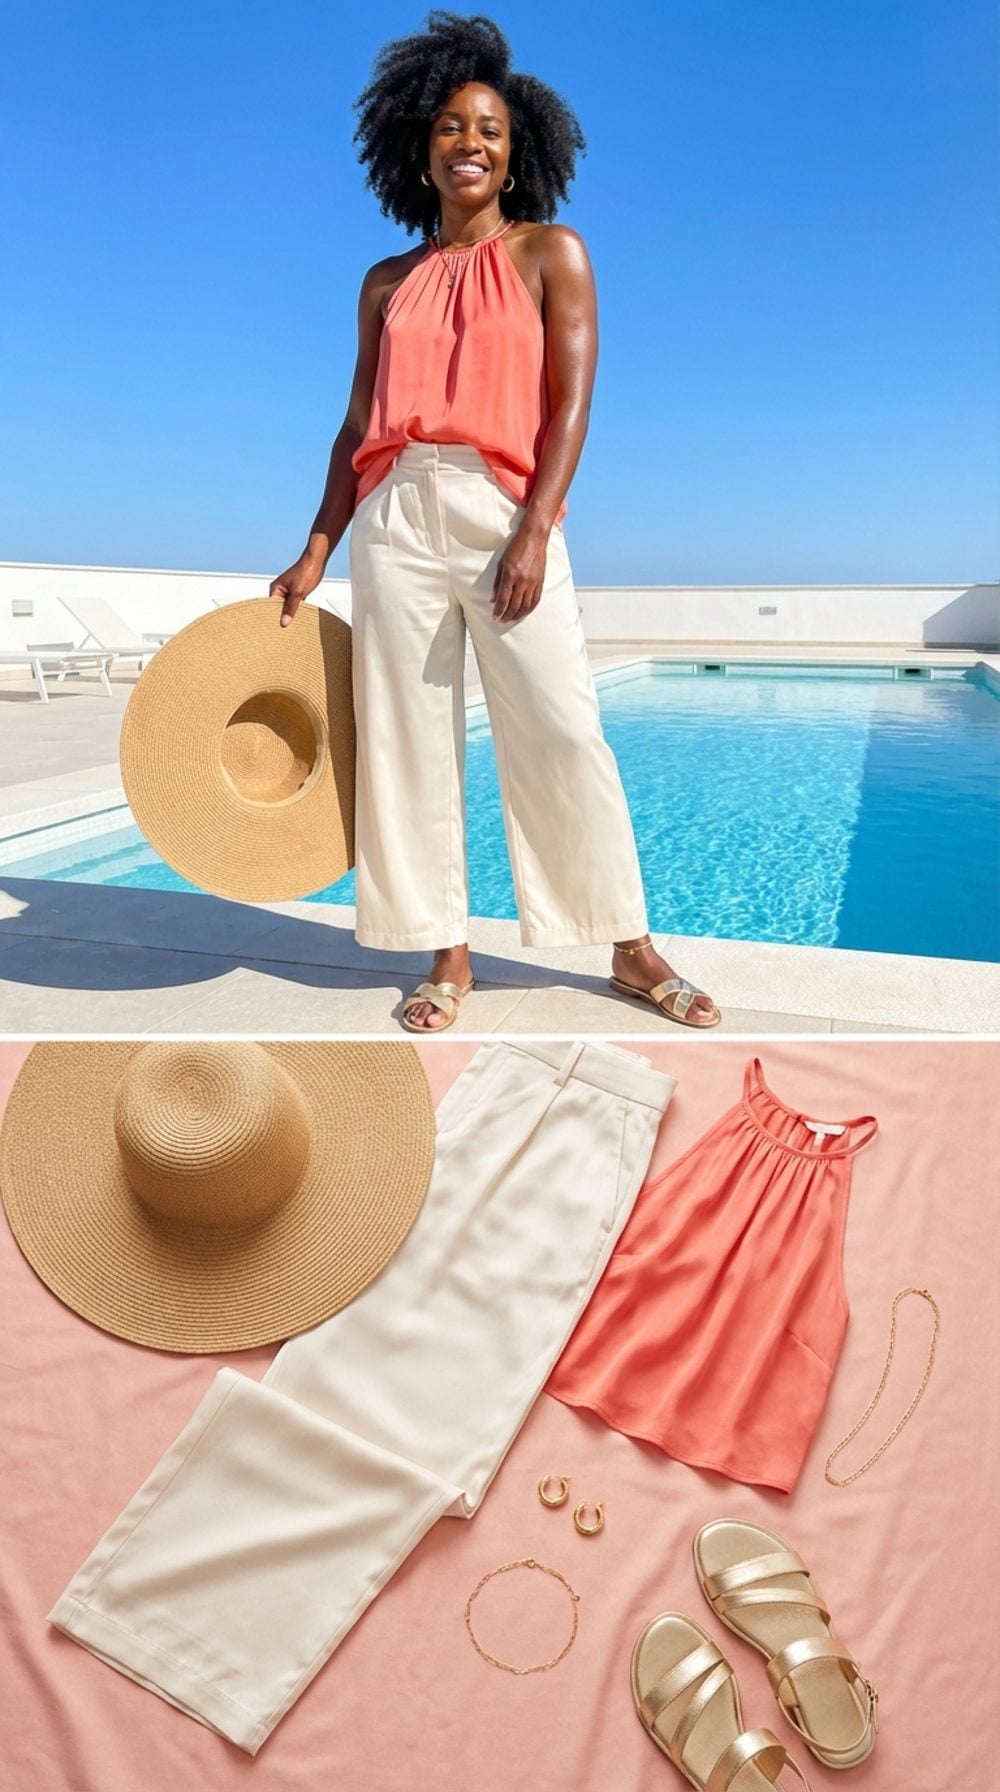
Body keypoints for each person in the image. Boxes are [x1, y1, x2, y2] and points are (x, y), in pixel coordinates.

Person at [270, 11, 720, 1032]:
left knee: (561, 727)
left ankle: (628, 945)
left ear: (517, 155)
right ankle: (447, 953)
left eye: (490, 131)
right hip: (395, 519)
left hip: (504, 507)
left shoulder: (551, 253)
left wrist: (534, 528)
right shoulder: (385, 284)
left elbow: (572, 404)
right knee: (407, 742)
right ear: (418, 147)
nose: (469, 143)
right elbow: (356, 425)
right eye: (450, 127)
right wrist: (316, 547)